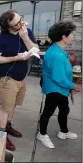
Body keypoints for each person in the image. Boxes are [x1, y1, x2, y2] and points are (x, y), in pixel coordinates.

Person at [0, 10, 39, 151]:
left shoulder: (26, 31)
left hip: (21, 79)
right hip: (7, 79)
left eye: (21, 19)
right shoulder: (0, 38)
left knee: (13, 106)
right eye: (17, 23)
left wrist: (24, 37)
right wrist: (17, 57)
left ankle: (8, 126)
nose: (22, 23)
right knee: (6, 109)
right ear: (8, 26)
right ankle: (1, 135)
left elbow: (35, 49)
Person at [38, 21, 81, 149]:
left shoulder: (58, 50)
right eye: (71, 34)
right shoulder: (56, 54)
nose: (73, 36)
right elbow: (59, 78)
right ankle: (42, 134)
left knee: (64, 109)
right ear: (63, 37)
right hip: (54, 89)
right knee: (48, 112)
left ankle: (63, 132)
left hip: (61, 89)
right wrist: (73, 86)